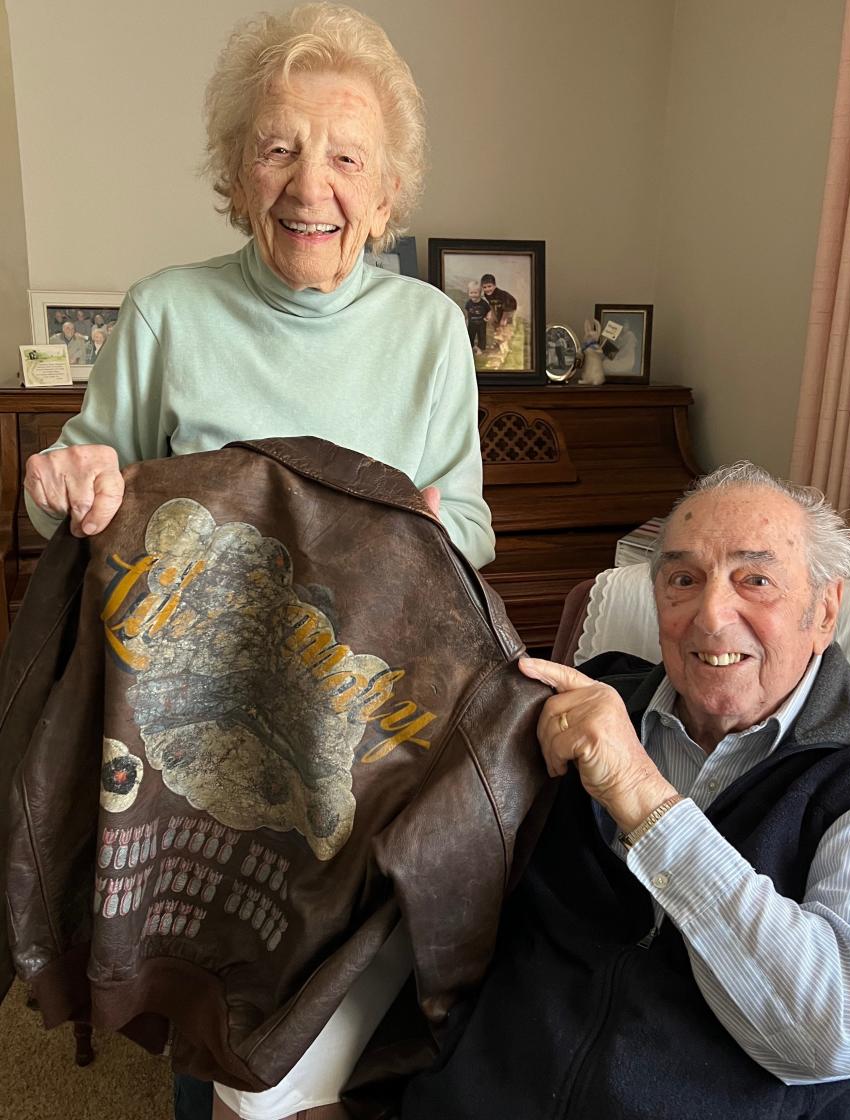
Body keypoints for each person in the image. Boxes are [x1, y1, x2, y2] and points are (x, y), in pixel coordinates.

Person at [23, 4, 495, 1118]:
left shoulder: (431, 331)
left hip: (351, 723)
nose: (308, 185)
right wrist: (63, 476)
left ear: (386, 195)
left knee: (341, 1000)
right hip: (189, 715)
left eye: (345, 158)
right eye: (277, 147)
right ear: (236, 173)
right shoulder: (167, 313)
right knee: (214, 986)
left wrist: (429, 521)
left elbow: (470, 531)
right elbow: (79, 475)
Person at [402, 461, 850, 1120]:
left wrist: (638, 792)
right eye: (683, 580)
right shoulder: (595, 694)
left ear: (825, 609)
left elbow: (843, 1029)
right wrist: (420, 605)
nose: (711, 615)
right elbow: (435, 753)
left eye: (755, 580)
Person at [463, 281, 491, 353]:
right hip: (472, 323)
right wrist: (466, 318)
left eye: (475, 293)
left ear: (480, 293)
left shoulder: (483, 303)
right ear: (468, 293)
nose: (473, 295)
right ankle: (471, 347)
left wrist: (488, 316)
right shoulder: (469, 303)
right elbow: (466, 311)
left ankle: (480, 348)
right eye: (471, 293)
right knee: (470, 335)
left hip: (481, 323)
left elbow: (489, 310)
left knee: (481, 336)